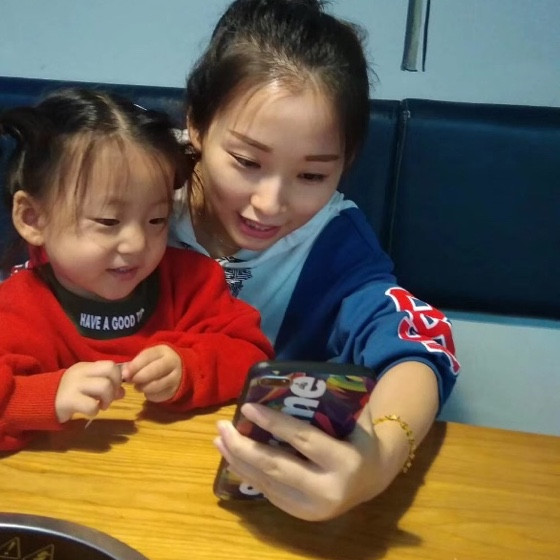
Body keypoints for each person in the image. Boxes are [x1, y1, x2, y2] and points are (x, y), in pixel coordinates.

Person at [170, 0, 460, 521]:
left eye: (312, 176)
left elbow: (418, 344)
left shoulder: (333, 243)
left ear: (345, 164)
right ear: (196, 124)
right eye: (247, 161)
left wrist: (377, 461)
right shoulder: (135, 188)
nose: (270, 204)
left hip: (256, 493)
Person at [0, 88, 273, 452]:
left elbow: (253, 356)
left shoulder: (192, 282)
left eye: (157, 219)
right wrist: (46, 397)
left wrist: (189, 368)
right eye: (108, 221)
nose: (136, 244)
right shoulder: (16, 308)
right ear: (33, 218)